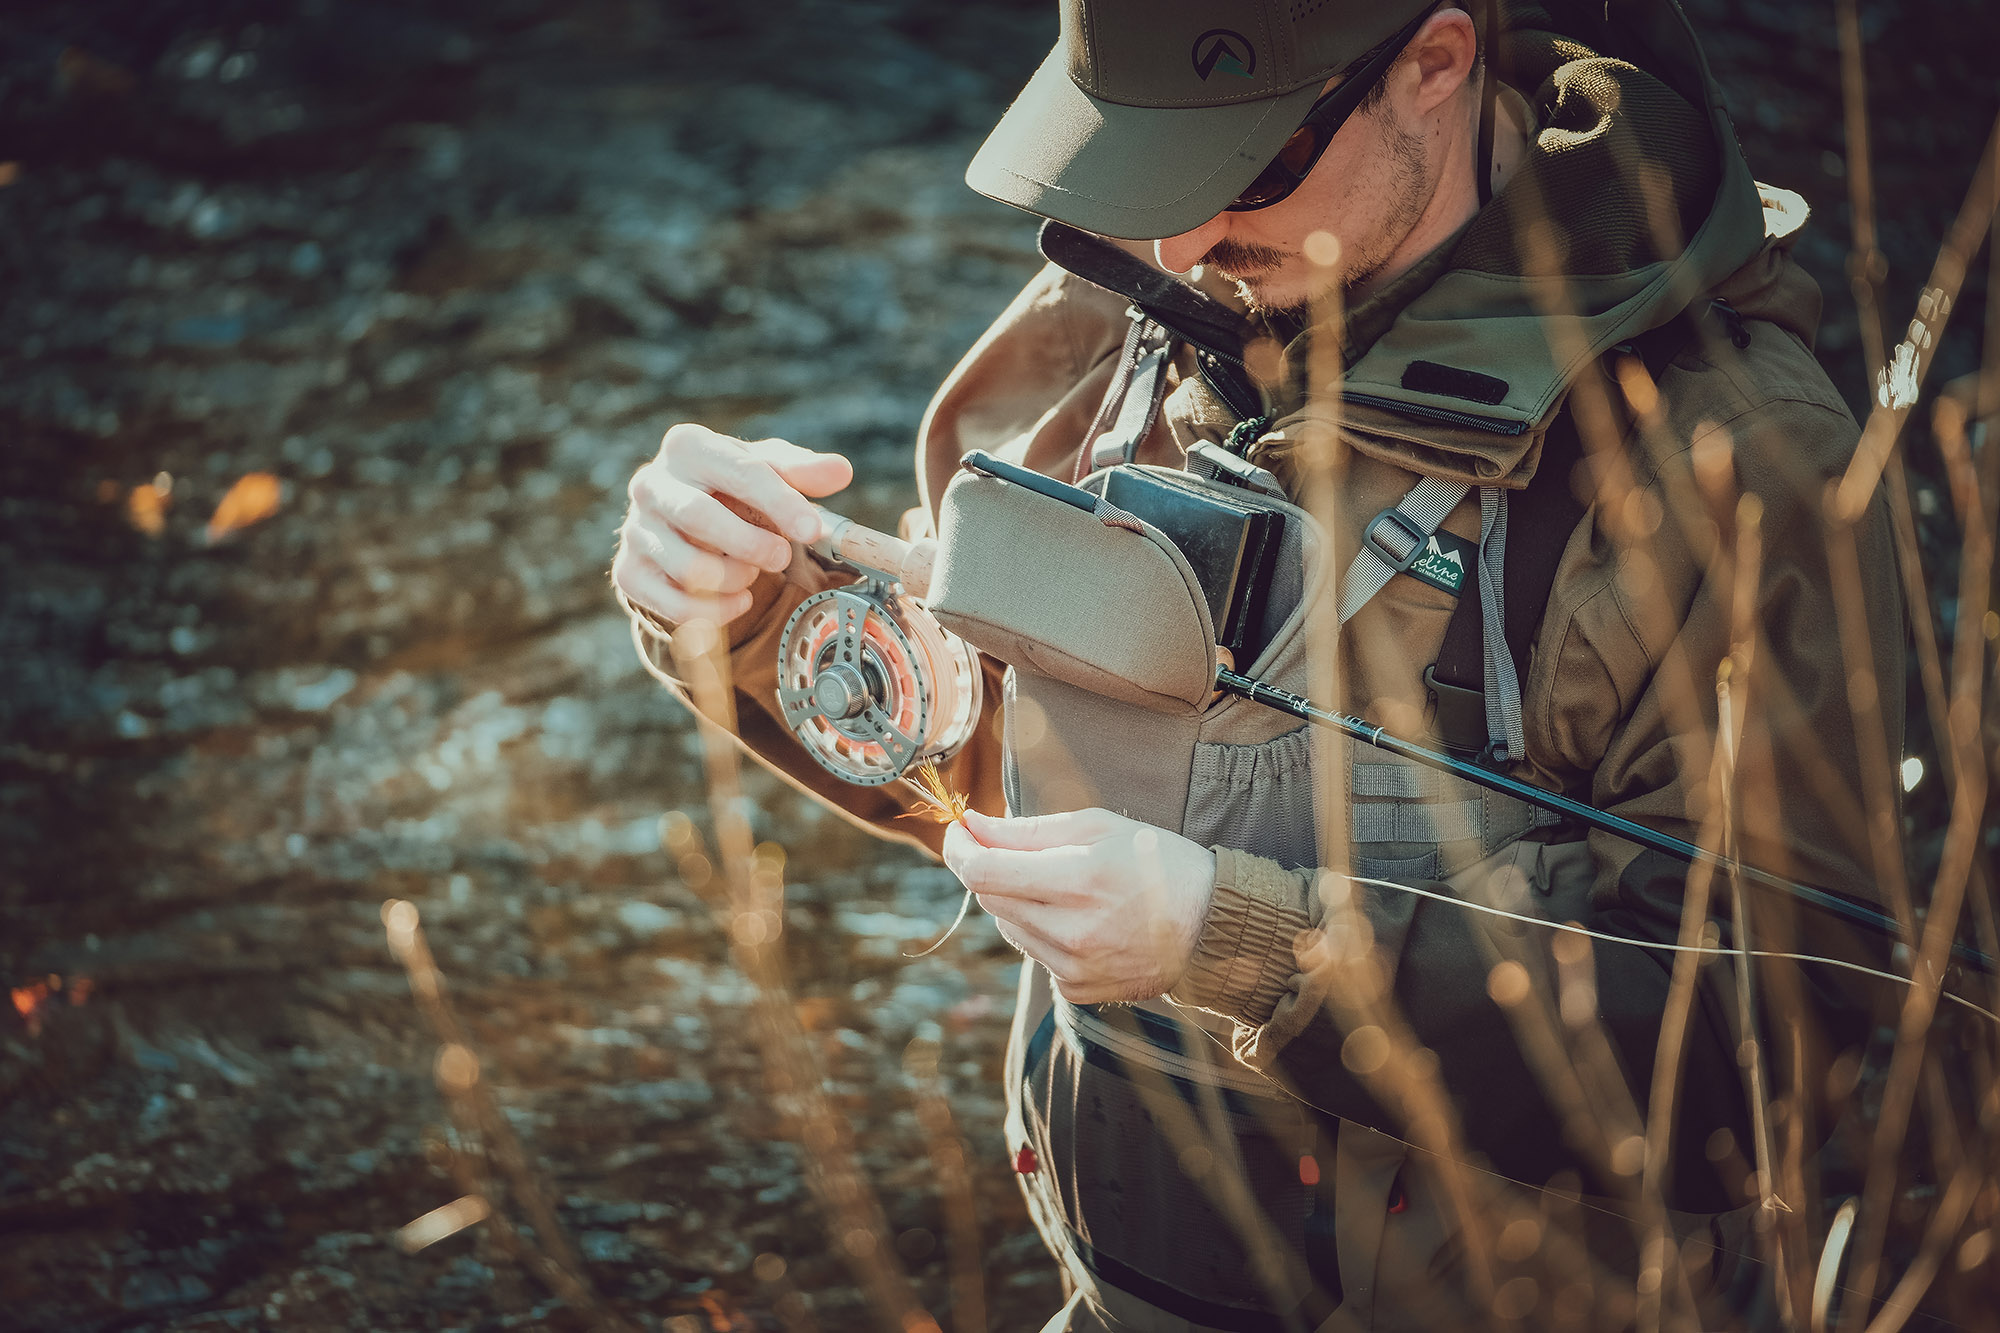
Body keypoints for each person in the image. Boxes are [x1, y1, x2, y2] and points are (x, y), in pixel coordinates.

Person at [614, 0, 1905, 1327]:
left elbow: (1772, 1049)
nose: (1177, 239)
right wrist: (759, 615)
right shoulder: (1142, 285)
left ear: (1435, 64)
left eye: (1247, 160)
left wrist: (1237, 940)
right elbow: (984, 748)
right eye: (1150, 161)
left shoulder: (1730, 457)